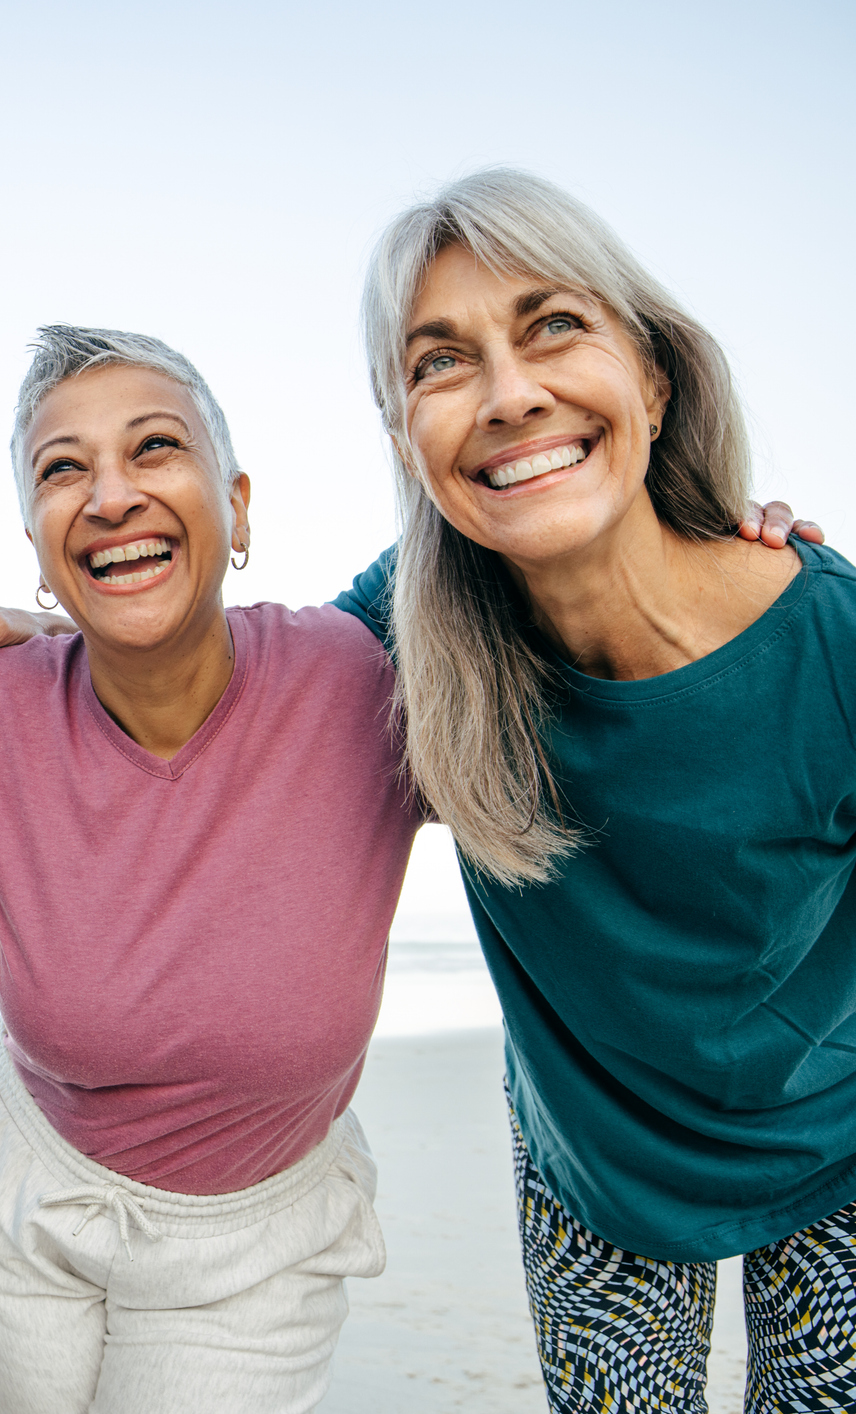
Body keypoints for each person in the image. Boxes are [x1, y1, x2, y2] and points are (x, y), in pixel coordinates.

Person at [0, 325, 813, 1412]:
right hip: (22, 1187)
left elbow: (566, 575)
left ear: (237, 508)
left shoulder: (367, 679)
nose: (110, 495)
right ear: (35, 545)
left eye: (154, 447)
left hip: (257, 1239)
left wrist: (721, 555)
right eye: (61, 469)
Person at [338, 167, 855, 1411]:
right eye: (439, 362)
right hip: (589, 1148)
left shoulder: (830, 642)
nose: (508, 395)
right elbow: (211, 698)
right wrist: (50, 635)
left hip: (834, 1130)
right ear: (406, 438)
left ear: (653, 379)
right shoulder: (403, 631)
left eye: (553, 325)